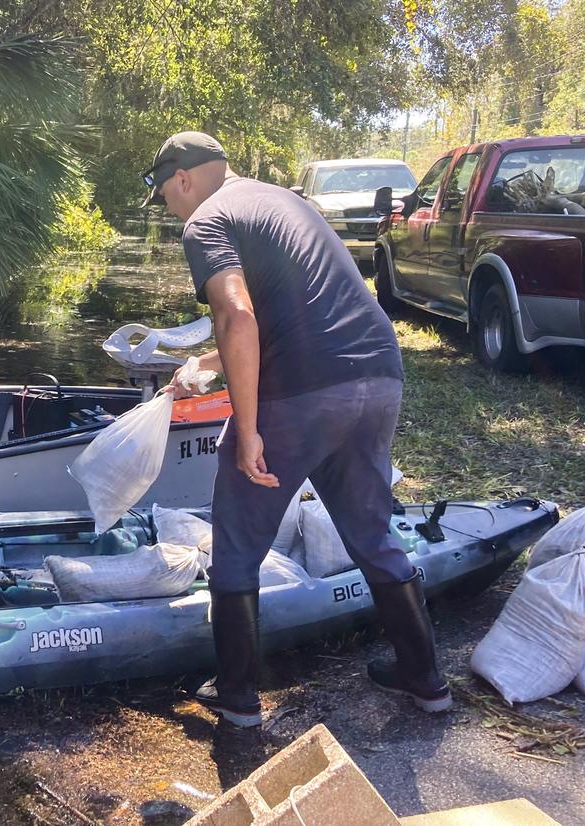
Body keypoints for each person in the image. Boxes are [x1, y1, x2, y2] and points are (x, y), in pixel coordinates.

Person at [143, 131, 451, 727]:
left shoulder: (206, 220)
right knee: (373, 532)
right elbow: (287, 315)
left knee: (235, 546)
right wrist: (206, 367)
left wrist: (249, 427)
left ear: (181, 178)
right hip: (376, 375)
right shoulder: (283, 200)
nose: (172, 210)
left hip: (304, 391)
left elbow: (235, 314)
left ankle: (237, 701)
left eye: (166, 196)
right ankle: (426, 679)